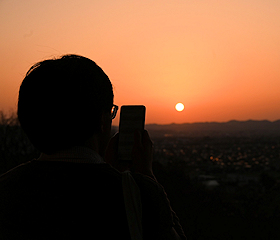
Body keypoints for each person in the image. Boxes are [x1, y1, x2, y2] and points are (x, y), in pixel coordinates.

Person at [0, 54, 186, 240]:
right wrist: (146, 176)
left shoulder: (7, 188)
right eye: (111, 112)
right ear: (101, 120)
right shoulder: (134, 194)